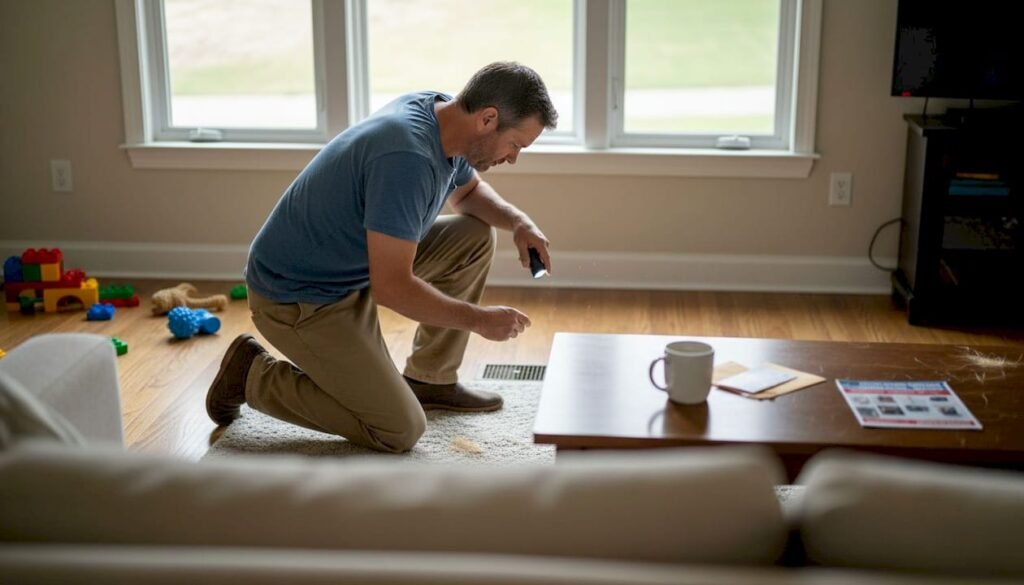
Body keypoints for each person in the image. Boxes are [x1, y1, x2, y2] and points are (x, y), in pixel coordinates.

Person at [205, 62, 558, 453]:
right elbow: (393, 288)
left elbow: (468, 195)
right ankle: (252, 375)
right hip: (300, 297)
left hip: (351, 269)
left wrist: (519, 222)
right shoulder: (407, 158)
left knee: (472, 235)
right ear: (488, 119)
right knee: (397, 429)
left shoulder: (443, 115)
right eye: (516, 145)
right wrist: (478, 320)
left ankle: (431, 379)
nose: (513, 158)